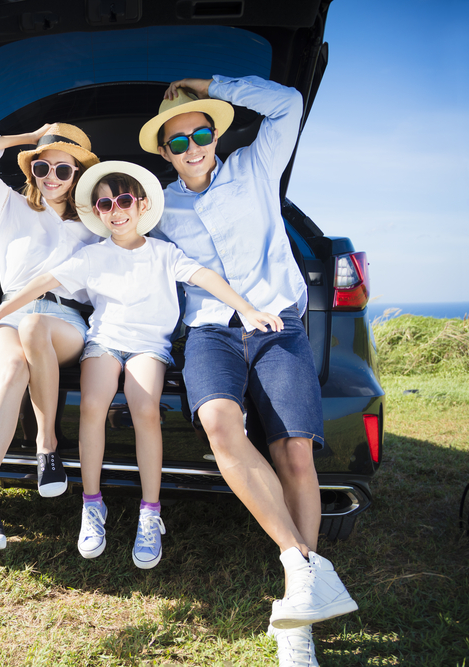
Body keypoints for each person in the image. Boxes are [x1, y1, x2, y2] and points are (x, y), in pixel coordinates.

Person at [0, 161, 283, 568]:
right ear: (96, 212)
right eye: (104, 203)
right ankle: (92, 506)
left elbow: (205, 277)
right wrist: (1, 310)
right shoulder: (92, 255)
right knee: (93, 408)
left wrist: (247, 309)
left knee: (145, 409)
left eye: (124, 200)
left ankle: (150, 512)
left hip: (149, 346)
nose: (115, 210)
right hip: (104, 342)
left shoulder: (165, 253)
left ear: (141, 204)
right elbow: (42, 283)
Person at [139, 75, 357, 665]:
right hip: (211, 330)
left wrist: (214, 84)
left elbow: (288, 103)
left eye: (201, 132)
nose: (192, 147)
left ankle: (296, 620)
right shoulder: (157, 206)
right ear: (163, 151)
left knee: (295, 452)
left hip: (277, 323)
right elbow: (112, 241)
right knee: (217, 421)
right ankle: (299, 562)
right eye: (178, 142)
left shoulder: (257, 166)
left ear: (215, 132)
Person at [0, 123, 101, 550]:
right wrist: (32, 136)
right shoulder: (8, 205)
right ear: (32, 170)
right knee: (15, 364)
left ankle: (46, 442)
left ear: (78, 175)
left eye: (63, 168)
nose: (51, 176)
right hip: (8, 317)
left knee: (37, 327)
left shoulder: (95, 222)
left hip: (66, 323)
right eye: (42, 166)